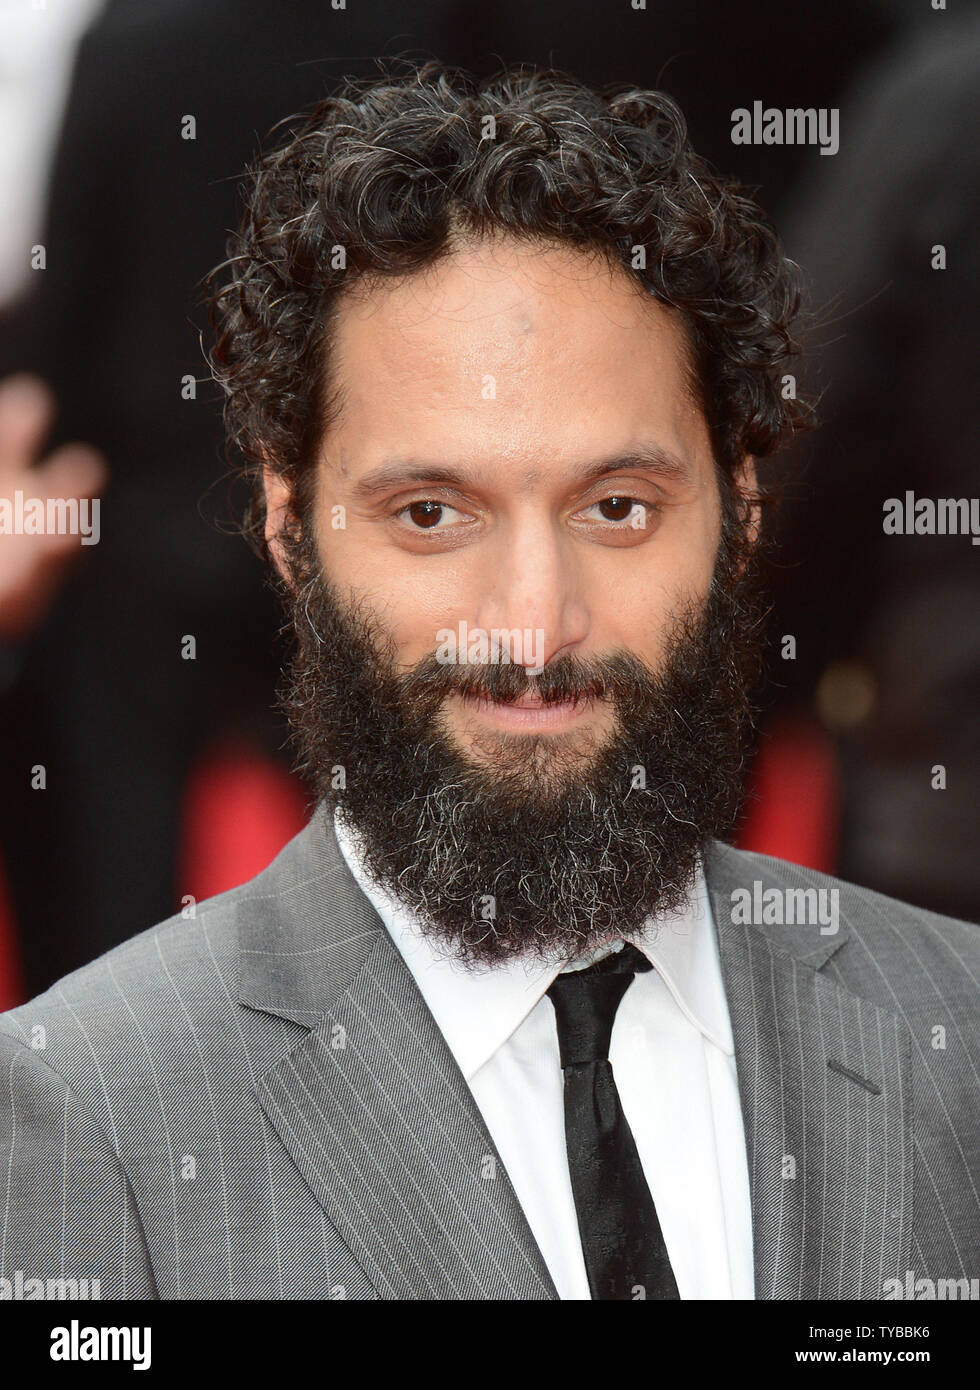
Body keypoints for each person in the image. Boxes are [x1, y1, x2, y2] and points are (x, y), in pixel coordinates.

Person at [0, 63, 976, 1302]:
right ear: (289, 529)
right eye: (430, 513)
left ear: (740, 512)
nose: (533, 624)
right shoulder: (84, 1109)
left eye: (615, 508)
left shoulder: (958, 1032)